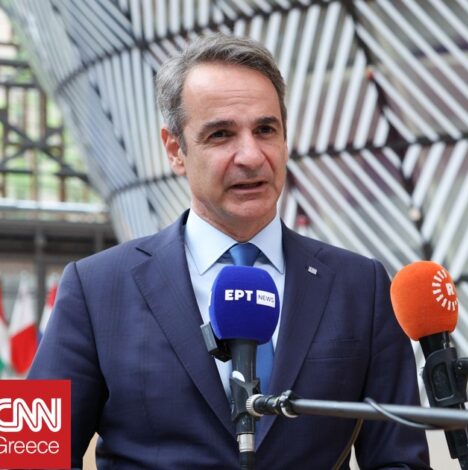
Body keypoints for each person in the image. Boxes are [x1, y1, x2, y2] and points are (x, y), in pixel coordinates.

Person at [30, 33, 430, 469]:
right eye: (221, 134)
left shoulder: (362, 286)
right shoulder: (92, 286)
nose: (251, 156)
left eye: (265, 130)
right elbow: (27, 455)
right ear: (175, 150)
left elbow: (401, 461)